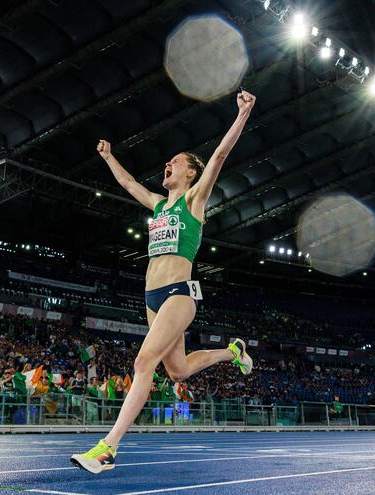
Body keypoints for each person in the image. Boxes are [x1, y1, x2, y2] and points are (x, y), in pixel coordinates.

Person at [72, 91, 257, 474]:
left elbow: (220, 156)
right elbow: (126, 183)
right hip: (152, 297)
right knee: (178, 371)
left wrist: (243, 113)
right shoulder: (158, 205)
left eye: (176, 161)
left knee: (144, 361)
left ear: (191, 172)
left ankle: (108, 447)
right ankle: (231, 352)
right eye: (168, 162)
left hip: (178, 294)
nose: (167, 163)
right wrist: (108, 156)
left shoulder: (194, 201)